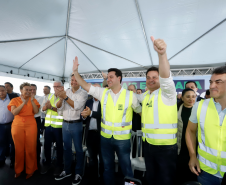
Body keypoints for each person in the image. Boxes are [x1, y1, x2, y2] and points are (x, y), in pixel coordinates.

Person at [71, 57, 142, 185]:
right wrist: (76, 72)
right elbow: (86, 86)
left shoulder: (130, 95)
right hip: (105, 138)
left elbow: (141, 112)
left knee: (126, 169)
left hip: (123, 140)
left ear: (119, 78)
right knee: (107, 168)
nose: (107, 79)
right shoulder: (103, 93)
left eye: (110, 77)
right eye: (107, 77)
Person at [138, 36, 177, 185]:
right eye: (148, 77)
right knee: (151, 179)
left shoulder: (168, 93)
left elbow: (166, 78)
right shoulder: (146, 96)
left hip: (165, 147)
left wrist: (162, 55)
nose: (151, 80)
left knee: (166, 180)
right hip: (148, 145)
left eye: (155, 77)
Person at [186, 66, 226, 185]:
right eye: (211, 82)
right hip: (205, 172)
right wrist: (192, 155)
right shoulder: (199, 106)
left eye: (218, 82)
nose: (212, 86)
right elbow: (190, 131)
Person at [55, 74, 88, 185]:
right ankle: (67, 170)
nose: (73, 82)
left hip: (76, 124)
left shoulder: (83, 93)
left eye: (76, 80)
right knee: (66, 149)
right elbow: (58, 106)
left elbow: (77, 106)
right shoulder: (67, 91)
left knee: (78, 149)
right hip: (65, 124)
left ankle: (78, 173)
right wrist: (60, 98)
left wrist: (64, 97)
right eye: (72, 80)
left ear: (80, 81)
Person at [7, 82, 40, 179]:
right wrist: (23, 103)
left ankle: (31, 169)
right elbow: (14, 112)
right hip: (18, 124)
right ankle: (18, 170)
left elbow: (36, 111)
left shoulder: (33, 99)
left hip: (31, 124)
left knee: (31, 148)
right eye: (26, 89)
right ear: (21, 90)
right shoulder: (15, 100)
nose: (29, 91)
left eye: (30, 90)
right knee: (18, 149)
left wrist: (32, 101)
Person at [81, 83, 104, 184]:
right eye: (94, 89)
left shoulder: (105, 102)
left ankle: (103, 178)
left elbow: (102, 116)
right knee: (92, 159)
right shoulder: (88, 101)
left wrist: (90, 113)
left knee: (103, 159)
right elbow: (83, 116)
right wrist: (84, 116)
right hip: (90, 134)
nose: (96, 92)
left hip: (101, 134)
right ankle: (93, 179)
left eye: (98, 89)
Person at [41, 81, 64, 176]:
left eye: (58, 86)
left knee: (59, 147)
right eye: (54, 86)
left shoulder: (65, 97)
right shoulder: (49, 96)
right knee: (47, 145)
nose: (56, 88)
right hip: (48, 125)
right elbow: (43, 108)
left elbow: (62, 112)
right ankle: (48, 163)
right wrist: (47, 107)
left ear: (62, 87)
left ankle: (59, 165)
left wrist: (50, 107)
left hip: (58, 126)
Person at [176, 88, 197, 184]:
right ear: (182, 98)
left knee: (194, 174)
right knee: (181, 174)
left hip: (195, 147)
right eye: (188, 96)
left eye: (193, 96)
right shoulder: (176, 109)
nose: (191, 99)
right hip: (180, 146)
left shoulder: (199, 110)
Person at [0, 85, 18, 168]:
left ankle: (13, 161)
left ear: (6, 90)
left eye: (3, 90)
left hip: (12, 124)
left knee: (13, 143)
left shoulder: (13, 98)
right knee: (1, 143)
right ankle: (1, 160)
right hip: (0, 126)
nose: (1, 92)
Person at [30, 84, 44, 169]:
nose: (32, 91)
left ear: (36, 90)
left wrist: (32, 99)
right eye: (30, 89)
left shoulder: (40, 98)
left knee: (36, 140)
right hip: (27, 120)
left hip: (36, 120)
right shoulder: (24, 99)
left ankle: (37, 157)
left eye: (34, 89)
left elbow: (38, 110)